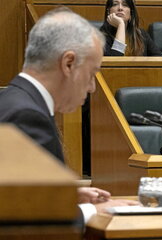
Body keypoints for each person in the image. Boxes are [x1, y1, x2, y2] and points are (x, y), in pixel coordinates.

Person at [0, 7, 137, 223]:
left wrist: (64, 197)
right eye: (92, 74)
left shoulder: (12, 100)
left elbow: (16, 197)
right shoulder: (26, 116)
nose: (92, 87)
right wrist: (94, 212)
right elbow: (25, 221)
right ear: (68, 63)